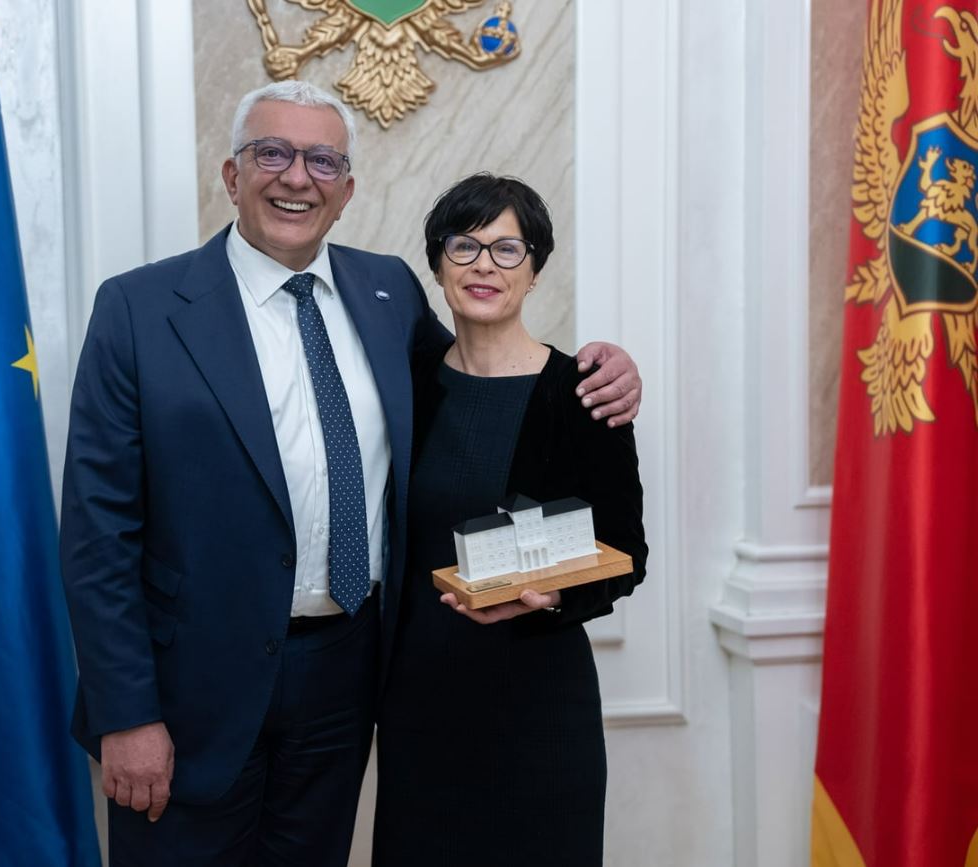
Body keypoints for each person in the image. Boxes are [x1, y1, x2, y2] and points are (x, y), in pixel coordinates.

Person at [60, 82, 642, 867]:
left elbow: (484, 379)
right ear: (232, 175)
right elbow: (97, 532)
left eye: (322, 160)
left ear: (347, 190)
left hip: (346, 682)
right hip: (192, 690)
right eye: (272, 152)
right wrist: (126, 712)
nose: (297, 177)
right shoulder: (139, 308)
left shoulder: (386, 293)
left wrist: (605, 367)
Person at [372, 174, 649, 867]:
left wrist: (552, 597)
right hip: (419, 700)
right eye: (464, 246)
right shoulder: (403, 382)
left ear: (534, 270)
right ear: (438, 264)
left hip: (538, 699)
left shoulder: (583, 391)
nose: (484, 266)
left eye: (507, 249)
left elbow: (626, 551)